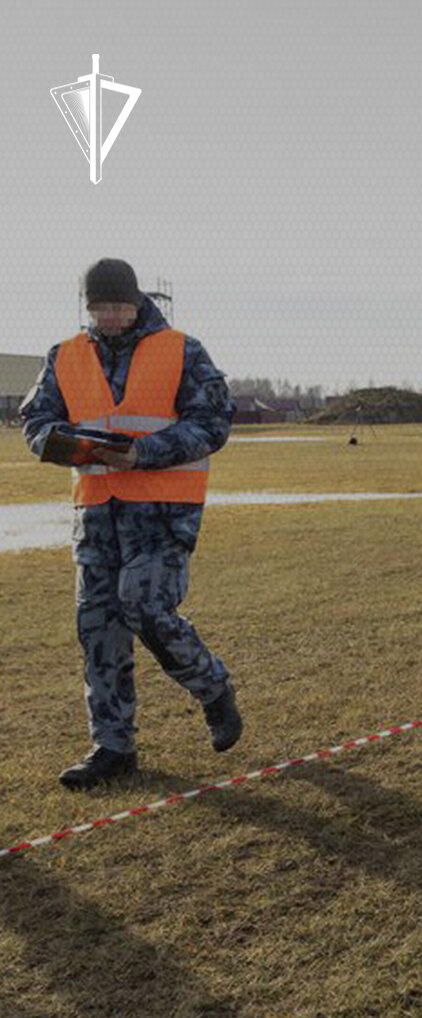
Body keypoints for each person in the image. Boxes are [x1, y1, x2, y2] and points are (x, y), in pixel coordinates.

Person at [20, 258, 241, 789]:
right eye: (100, 307)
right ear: (88, 307)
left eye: (119, 306)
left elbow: (213, 423)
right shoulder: (64, 356)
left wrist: (144, 452)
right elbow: (34, 419)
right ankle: (112, 747)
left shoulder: (183, 350)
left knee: (144, 605)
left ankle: (212, 687)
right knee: (98, 630)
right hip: (95, 519)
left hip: (163, 516)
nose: (110, 316)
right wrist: (56, 442)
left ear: (138, 302)